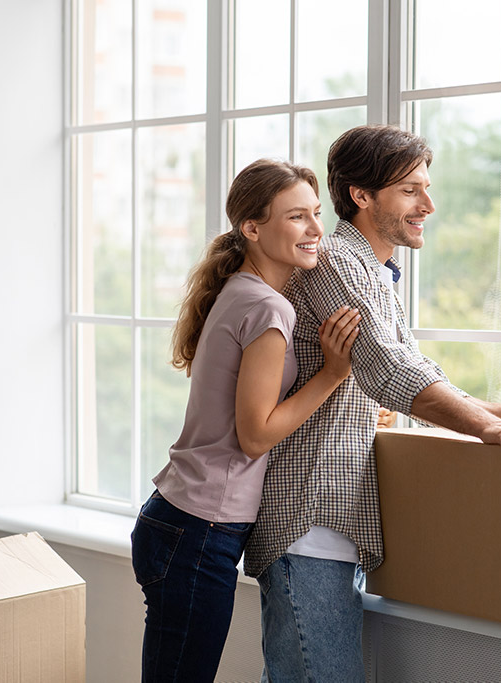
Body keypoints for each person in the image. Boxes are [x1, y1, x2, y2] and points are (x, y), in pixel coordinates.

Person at [244, 125, 501, 681]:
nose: (430, 204)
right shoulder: (335, 265)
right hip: (309, 521)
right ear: (362, 197)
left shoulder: (375, 273)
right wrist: (486, 430)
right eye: (411, 191)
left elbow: (409, 385)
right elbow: (389, 371)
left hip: (339, 525)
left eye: (427, 187)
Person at [130, 159, 362, 683]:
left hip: (180, 520)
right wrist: (332, 374)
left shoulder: (243, 291)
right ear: (252, 228)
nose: (315, 230)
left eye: (316, 214)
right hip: (198, 528)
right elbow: (255, 435)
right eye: (297, 217)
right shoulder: (267, 308)